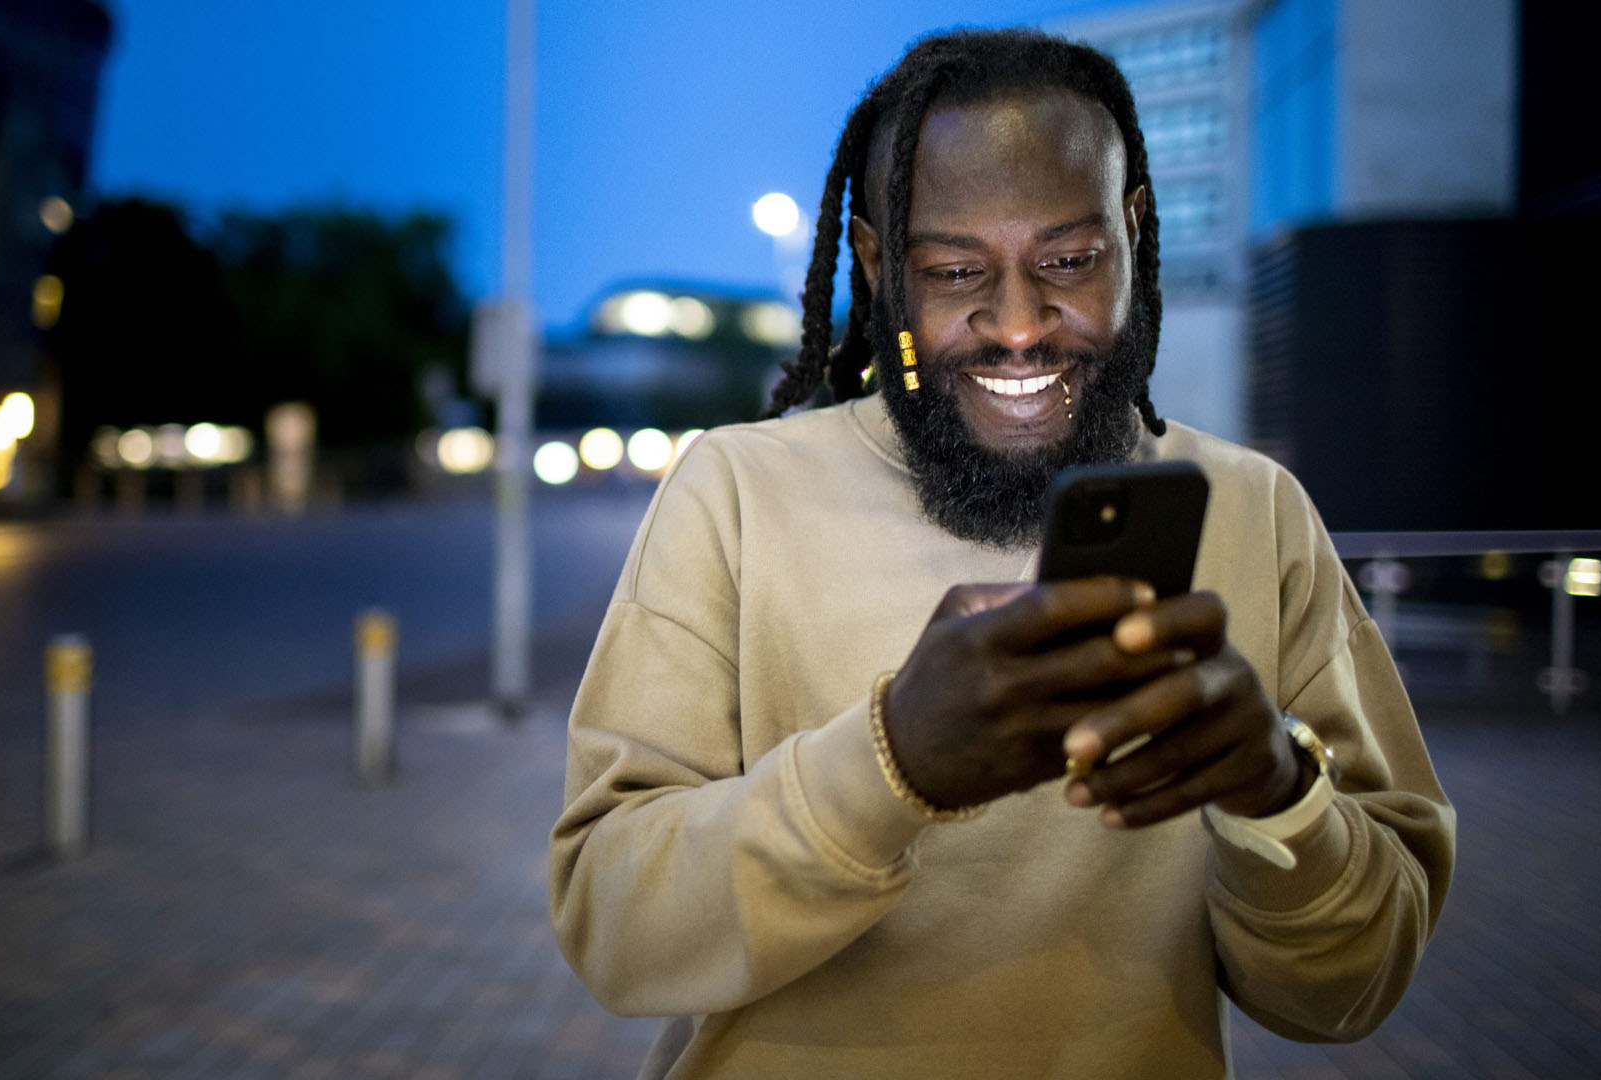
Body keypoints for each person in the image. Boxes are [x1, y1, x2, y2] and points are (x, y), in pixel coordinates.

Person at [548, 27, 1454, 1080]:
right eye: (953, 269)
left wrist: (1279, 789)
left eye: (1067, 262)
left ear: (1132, 232)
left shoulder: (1254, 513)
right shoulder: (735, 493)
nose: (1020, 325)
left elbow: (1352, 992)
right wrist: (891, 762)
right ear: (882, 267)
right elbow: (615, 929)